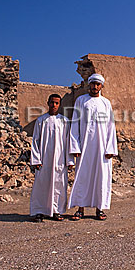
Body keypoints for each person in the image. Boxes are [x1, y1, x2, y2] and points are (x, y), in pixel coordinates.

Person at [68, 73, 118, 221]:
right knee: (82, 176)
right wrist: (75, 146)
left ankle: (99, 209)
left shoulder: (106, 103)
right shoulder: (81, 101)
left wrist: (110, 148)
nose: (95, 87)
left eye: (98, 84)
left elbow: (110, 126)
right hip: (84, 147)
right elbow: (75, 124)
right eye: (93, 84)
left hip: (102, 148)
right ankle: (80, 209)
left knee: (101, 177)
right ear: (89, 85)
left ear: (101, 86)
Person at [30, 94, 74, 223]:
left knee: (59, 185)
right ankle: (39, 211)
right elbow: (35, 141)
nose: (54, 105)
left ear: (59, 104)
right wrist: (36, 160)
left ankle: (57, 211)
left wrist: (69, 160)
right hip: (44, 159)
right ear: (47, 103)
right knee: (42, 185)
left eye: (56, 103)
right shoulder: (41, 120)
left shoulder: (65, 121)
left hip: (60, 160)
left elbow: (68, 142)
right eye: (52, 102)